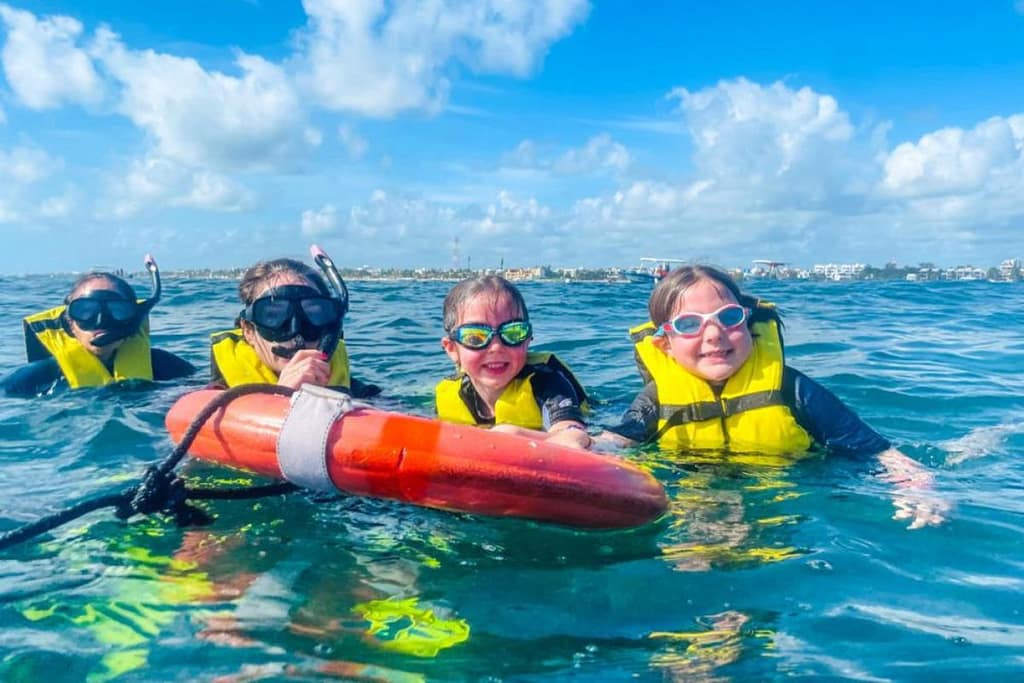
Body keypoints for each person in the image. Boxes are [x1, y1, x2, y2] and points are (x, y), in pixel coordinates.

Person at [607, 264, 948, 529]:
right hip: (695, 489)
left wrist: (917, 485)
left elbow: (875, 449)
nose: (713, 334)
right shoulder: (657, 399)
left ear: (748, 324)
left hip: (792, 489)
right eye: (689, 324)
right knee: (693, 546)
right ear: (664, 344)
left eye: (728, 317)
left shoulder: (791, 389)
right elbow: (615, 442)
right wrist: (581, 441)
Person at [436, 274, 591, 449]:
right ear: (451, 349)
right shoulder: (450, 392)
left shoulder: (548, 383)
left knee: (610, 439)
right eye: (475, 337)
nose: (496, 347)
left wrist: (516, 436)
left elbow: (573, 435)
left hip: (599, 426)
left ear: (528, 339)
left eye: (513, 333)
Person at [2, 261, 194, 396]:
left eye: (117, 311)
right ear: (70, 322)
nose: (101, 321)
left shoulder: (164, 366)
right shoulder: (36, 378)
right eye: (86, 311)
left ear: (133, 320)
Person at [209, 257, 378, 397]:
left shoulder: (364, 398)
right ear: (248, 331)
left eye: (313, 313)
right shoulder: (215, 398)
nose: (296, 331)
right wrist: (282, 394)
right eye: (273, 315)